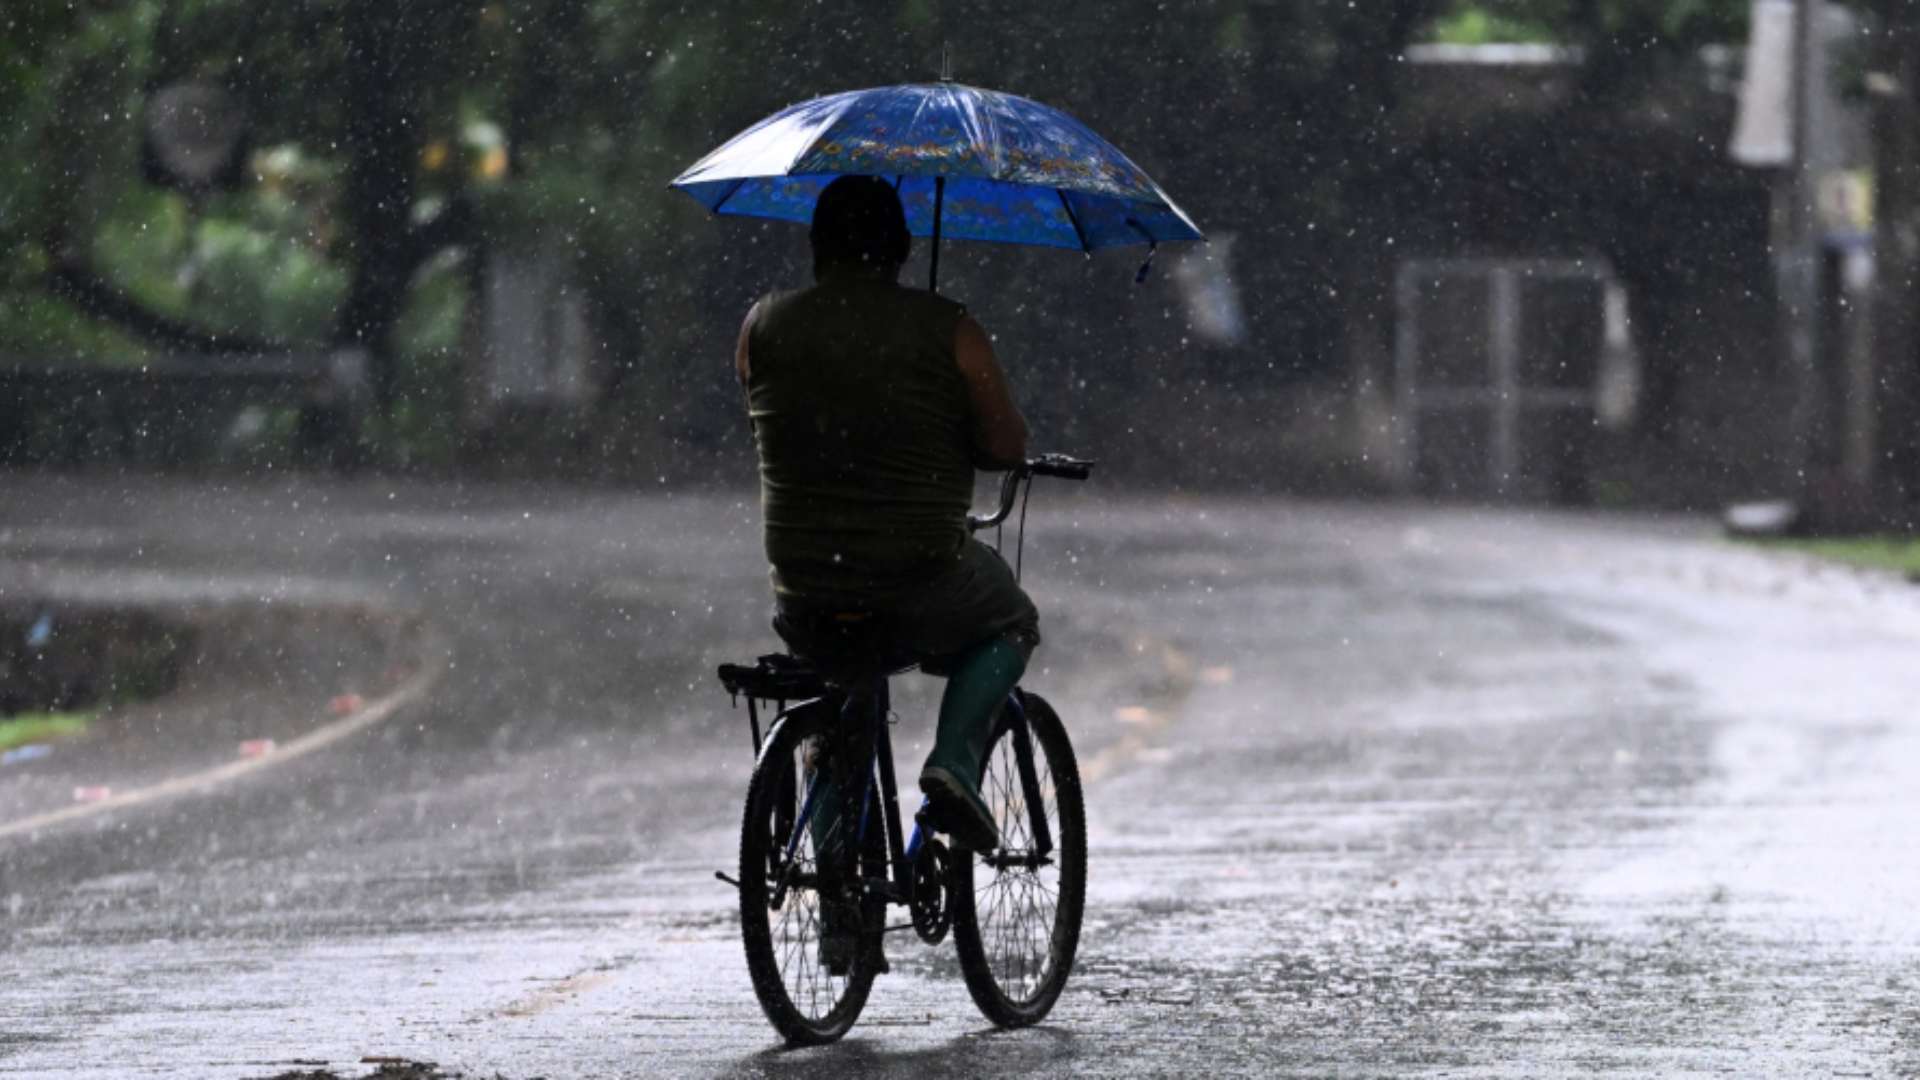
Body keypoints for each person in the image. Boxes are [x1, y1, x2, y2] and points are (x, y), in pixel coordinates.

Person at [734, 175, 1038, 864]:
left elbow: (772, 409)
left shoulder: (761, 326)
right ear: (901, 247)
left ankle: (841, 910)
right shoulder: (953, 331)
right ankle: (954, 768)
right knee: (1013, 620)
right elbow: (1004, 447)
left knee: (847, 680)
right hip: (917, 581)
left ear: (816, 245)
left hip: (804, 587)